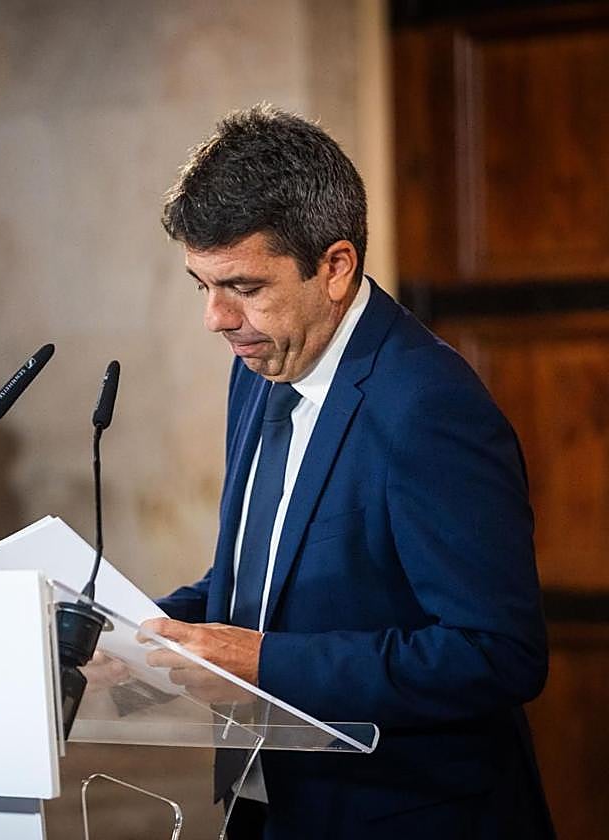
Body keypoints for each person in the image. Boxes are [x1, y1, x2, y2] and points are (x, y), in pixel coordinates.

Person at [143, 106, 554, 839]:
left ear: (334, 268)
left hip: (404, 815)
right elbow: (258, 581)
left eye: (243, 285)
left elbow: (497, 652)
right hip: (270, 806)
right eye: (200, 285)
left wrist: (269, 664)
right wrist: (140, 631)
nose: (215, 317)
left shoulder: (428, 405)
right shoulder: (262, 363)